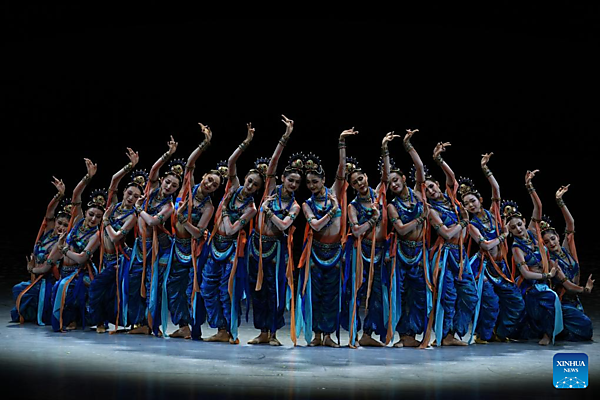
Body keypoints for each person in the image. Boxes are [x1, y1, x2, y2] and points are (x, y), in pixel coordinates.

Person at [201, 123, 261, 344]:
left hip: (231, 251)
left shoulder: (251, 208)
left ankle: (228, 330)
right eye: (250, 181)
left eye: (255, 185)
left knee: (226, 291)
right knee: (207, 288)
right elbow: (231, 162)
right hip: (214, 245)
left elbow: (231, 229)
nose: (250, 185)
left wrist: (225, 210)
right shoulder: (233, 187)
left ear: (258, 190)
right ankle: (220, 329)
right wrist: (246, 142)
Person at [459, 153, 525, 343]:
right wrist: (503, 236)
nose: (470, 205)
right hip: (484, 268)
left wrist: (485, 168)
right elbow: (485, 245)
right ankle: (483, 335)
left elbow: (496, 189)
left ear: (480, 199)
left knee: (516, 302)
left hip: (501, 267)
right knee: (490, 302)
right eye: (466, 204)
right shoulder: (471, 225)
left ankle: (500, 332)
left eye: (472, 201)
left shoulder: (494, 215)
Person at [296, 128, 353, 348]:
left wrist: (341, 142)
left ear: (323, 180)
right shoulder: (306, 204)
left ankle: (328, 335)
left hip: (335, 252)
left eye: (315, 181)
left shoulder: (335, 193)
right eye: (308, 183)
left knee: (332, 294)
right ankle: (317, 335)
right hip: (315, 252)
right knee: (315, 293)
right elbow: (315, 225)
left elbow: (342, 170)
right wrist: (333, 211)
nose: (311, 186)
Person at [167, 123, 224, 340]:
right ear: (204, 176)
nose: (210, 184)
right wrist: (205, 144)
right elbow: (190, 164)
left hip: (194, 251)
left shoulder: (208, 207)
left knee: (192, 289)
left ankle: (198, 325)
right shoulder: (187, 188)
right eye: (210, 179)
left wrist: (183, 219)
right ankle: (183, 326)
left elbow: (199, 233)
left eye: (215, 185)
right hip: (176, 247)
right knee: (173, 287)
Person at [247, 115, 300, 347]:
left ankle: (274, 334)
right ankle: (263, 332)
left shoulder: (295, 206)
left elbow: (283, 226)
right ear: (282, 178)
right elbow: (274, 162)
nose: (293, 184)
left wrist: (268, 212)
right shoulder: (270, 189)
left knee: (275, 290)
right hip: (256, 247)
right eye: (290, 180)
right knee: (257, 290)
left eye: (297, 182)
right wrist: (285, 137)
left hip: (277, 251)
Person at [424, 142, 478, 347]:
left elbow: (452, 177)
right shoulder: (431, 210)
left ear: (438, 184)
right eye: (426, 189)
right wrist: (463, 222)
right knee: (448, 296)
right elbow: (446, 234)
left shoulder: (452, 200)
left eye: (432, 186)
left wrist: (438, 160)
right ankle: (445, 335)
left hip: (460, 255)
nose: (430, 190)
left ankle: (455, 332)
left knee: (470, 296)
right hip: (444, 255)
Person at [127, 136, 182, 337]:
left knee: (153, 286)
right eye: (167, 182)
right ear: (162, 180)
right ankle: (140, 323)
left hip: (159, 248)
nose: (169, 187)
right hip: (140, 247)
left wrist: (139, 209)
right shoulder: (150, 190)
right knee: (134, 284)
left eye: (174, 186)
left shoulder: (169, 206)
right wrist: (169, 153)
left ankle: (152, 324)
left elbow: (151, 222)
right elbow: (153, 170)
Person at [342, 131, 391, 348]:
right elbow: (357, 231)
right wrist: (373, 219)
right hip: (360, 253)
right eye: (354, 182)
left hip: (380, 252)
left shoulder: (379, 194)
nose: (359, 183)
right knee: (357, 291)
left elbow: (386, 175)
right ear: (352, 186)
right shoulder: (353, 206)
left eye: (360, 178)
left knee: (377, 295)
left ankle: (368, 333)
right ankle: (353, 334)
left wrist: (384, 148)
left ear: (366, 177)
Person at [88, 148, 143, 333]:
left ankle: (100, 322)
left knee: (97, 287)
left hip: (119, 259)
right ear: (125, 191)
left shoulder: (133, 216)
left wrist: (106, 221)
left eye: (136, 196)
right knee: (107, 291)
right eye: (129, 193)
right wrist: (130, 166)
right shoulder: (114, 205)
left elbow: (115, 237)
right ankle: (102, 321)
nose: (131, 197)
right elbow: (113, 180)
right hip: (106, 258)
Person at [384, 129, 430, 348]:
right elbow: (401, 230)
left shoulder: (418, 193)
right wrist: (420, 219)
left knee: (418, 295)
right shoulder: (392, 206)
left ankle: (413, 334)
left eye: (396, 180)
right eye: (390, 182)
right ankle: (403, 336)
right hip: (402, 254)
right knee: (402, 294)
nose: (393, 184)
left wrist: (407, 145)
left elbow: (420, 167)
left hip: (420, 252)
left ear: (403, 178)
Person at [505, 170, 562, 345]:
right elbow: (526, 274)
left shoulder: (532, 232)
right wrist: (547, 275)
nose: (518, 229)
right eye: (513, 228)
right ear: (509, 231)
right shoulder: (516, 248)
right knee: (550, 298)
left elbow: (538, 208)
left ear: (524, 221)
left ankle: (549, 330)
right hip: (529, 285)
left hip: (544, 282)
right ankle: (546, 334)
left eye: (519, 224)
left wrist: (529, 186)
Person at [51, 158, 104, 332]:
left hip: (81, 272)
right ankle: (69, 319)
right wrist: (88, 177)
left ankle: (75, 319)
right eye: (91, 214)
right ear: (86, 212)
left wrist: (64, 249)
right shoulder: (78, 221)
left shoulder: (97, 235)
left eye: (98, 217)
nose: (93, 219)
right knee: (59, 288)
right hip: (65, 270)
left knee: (70, 289)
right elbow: (75, 195)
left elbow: (82, 259)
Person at [12, 177, 68, 325]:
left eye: (65, 226)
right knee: (19, 290)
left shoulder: (61, 243)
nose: (61, 227)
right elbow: (49, 212)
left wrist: (31, 269)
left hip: (48, 281)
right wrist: (59, 195)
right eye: (59, 223)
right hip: (37, 278)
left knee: (20, 290)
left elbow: (46, 268)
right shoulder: (48, 232)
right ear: (55, 222)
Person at [541, 185, 594, 341]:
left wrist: (560, 201)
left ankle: (559, 329)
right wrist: (585, 290)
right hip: (563, 302)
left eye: (552, 239)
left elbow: (570, 224)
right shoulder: (552, 261)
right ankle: (556, 328)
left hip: (574, 301)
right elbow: (568, 286)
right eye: (546, 242)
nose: (551, 243)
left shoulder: (566, 250)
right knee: (586, 327)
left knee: (585, 331)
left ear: (558, 237)